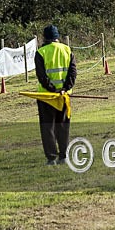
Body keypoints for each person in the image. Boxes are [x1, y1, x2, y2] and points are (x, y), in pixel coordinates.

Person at [34, 25, 77, 166]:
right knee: (63, 126)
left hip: (47, 97)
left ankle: (52, 158)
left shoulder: (41, 52)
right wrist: (65, 88)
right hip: (64, 97)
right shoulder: (67, 50)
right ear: (57, 36)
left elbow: (42, 76)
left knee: (48, 128)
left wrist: (52, 89)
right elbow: (73, 73)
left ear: (44, 37)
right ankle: (63, 156)